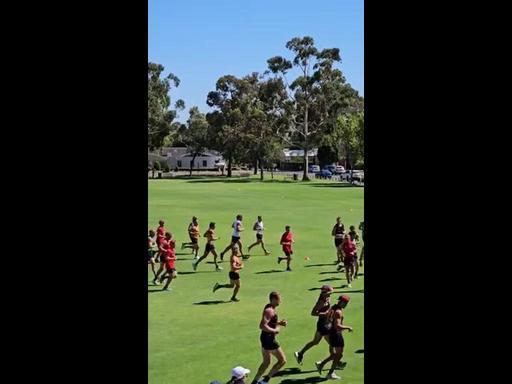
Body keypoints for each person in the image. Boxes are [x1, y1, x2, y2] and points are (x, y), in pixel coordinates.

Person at [250, 292, 288, 384]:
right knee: (282, 361)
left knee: (266, 362)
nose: (280, 300)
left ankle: (255, 381)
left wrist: (279, 323)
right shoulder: (269, 310)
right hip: (269, 339)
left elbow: (270, 322)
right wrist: (274, 331)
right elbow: (262, 326)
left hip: (265, 338)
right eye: (279, 298)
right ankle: (265, 381)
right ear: (274, 299)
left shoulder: (270, 308)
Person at [294, 285, 335, 365]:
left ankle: (300, 353)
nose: (330, 295)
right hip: (323, 324)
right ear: (324, 293)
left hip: (325, 323)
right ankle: (335, 361)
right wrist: (325, 313)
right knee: (333, 343)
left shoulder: (327, 298)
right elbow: (313, 313)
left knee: (315, 341)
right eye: (329, 293)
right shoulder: (321, 301)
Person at [315, 295, 353, 380]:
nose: (346, 305)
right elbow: (337, 326)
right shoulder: (338, 312)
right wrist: (348, 327)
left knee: (337, 354)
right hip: (336, 334)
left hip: (331, 332)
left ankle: (322, 365)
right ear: (343, 302)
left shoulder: (333, 307)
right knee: (338, 355)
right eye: (346, 303)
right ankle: (329, 372)